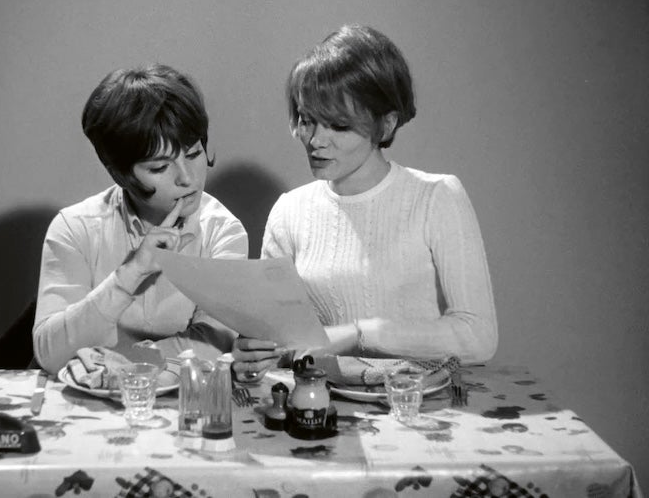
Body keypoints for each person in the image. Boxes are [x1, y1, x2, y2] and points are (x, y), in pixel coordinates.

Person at [232, 25, 497, 381]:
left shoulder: (436, 197)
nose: (315, 140)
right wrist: (253, 352)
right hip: (325, 407)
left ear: (385, 126)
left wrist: (359, 334)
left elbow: (479, 337)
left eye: (338, 126)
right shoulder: (289, 211)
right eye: (307, 120)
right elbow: (277, 338)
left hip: (421, 403)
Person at [33, 64, 248, 375]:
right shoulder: (75, 228)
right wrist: (129, 275)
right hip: (88, 406)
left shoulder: (222, 232)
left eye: (193, 153)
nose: (187, 178)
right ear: (120, 172)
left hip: (180, 406)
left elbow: (215, 344)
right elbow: (50, 354)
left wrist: (122, 362)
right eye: (160, 168)